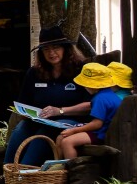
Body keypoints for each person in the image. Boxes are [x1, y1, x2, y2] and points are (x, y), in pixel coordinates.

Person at [5, 24, 91, 165]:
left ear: (65, 48)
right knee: (21, 129)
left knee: (44, 133)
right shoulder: (34, 73)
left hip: (70, 121)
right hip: (39, 120)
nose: (51, 53)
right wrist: (28, 114)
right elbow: (24, 102)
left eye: (56, 48)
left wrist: (60, 111)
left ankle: (25, 170)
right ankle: (7, 170)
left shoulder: (80, 69)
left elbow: (90, 105)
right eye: (46, 49)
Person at [53, 62, 132, 160]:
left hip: (101, 134)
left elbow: (97, 124)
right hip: (105, 131)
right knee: (61, 137)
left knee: (67, 142)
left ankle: (71, 167)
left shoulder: (100, 99)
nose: (84, 87)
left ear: (93, 85)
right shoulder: (110, 94)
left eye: (86, 84)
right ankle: (58, 164)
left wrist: (74, 130)